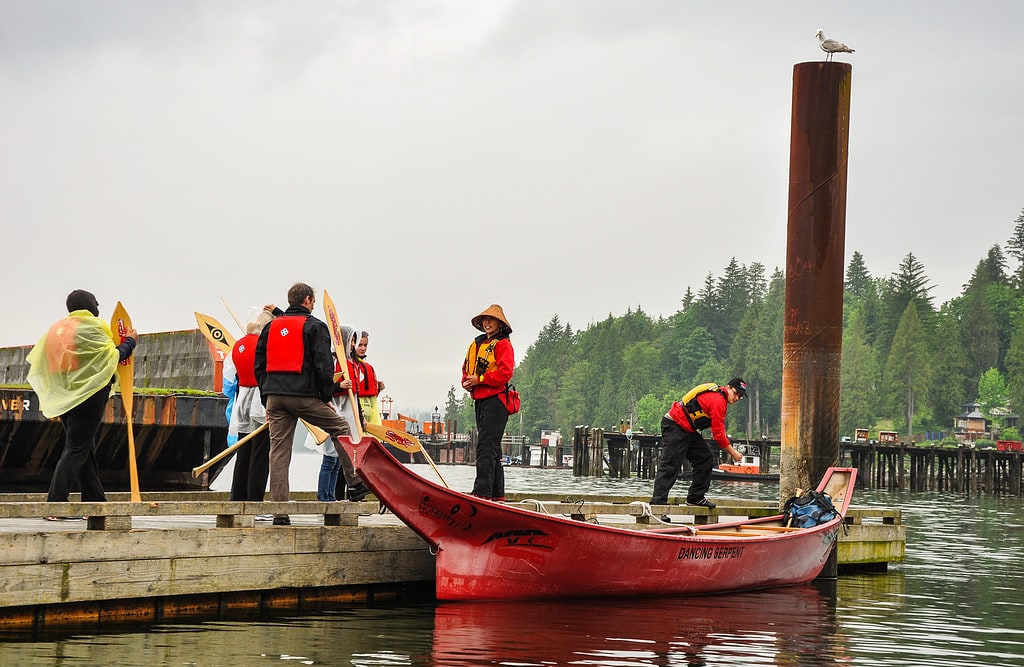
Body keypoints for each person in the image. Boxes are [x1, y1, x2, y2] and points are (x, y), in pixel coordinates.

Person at [254, 283, 370, 525]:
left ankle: (279, 512)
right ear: (306, 300)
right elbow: (323, 366)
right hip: (303, 395)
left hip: (275, 396)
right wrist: (326, 396)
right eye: (314, 300)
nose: (315, 304)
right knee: (340, 428)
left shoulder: (271, 326)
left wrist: (267, 396)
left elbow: (260, 361)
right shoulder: (315, 326)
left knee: (279, 452)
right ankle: (355, 483)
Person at [26, 289, 138, 519]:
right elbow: (111, 357)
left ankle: (95, 503)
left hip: (65, 397)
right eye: (96, 303)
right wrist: (130, 342)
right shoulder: (93, 327)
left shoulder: (56, 330)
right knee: (77, 449)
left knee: (86, 449)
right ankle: (54, 505)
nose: (98, 306)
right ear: (89, 305)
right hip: (89, 396)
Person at [650, 378, 747, 516]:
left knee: (705, 458)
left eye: (740, 396)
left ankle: (695, 497)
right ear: (728, 387)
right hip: (675, 425)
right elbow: (718, 435)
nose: (736, 398)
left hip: (687, 429)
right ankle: (657, 507)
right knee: (670, 465)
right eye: (736, 393)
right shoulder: (719, 401)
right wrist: (733, 453)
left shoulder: (720, 398)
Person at [224, 305, 279, 512]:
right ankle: (255, 501)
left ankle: (236, 498)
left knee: (243, 452)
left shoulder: (239, 344)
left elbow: (229, 379)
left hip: (242, 400)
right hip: (260, 400)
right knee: (260, 454)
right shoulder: (264, 345)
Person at [461, 304, 515, 501]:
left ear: (500, 324)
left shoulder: (503, 344)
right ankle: (497, 494)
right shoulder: (476, 345)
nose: (487, 322)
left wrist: (480, 380)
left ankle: (481, 494)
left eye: (491, 319)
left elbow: (505, 372)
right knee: (493, 447)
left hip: (496, 401)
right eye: (485, 319)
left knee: (485, 446)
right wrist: (466, 382)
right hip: (481, 400)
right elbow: (466, 368)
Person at [317, 325, 360, 502]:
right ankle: (323, 495)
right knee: (329, 458)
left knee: (336, 461)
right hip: (335, 411)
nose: (353, 346)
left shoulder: (352, 364)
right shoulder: (334, 360)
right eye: (351, 341)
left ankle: (331, 496)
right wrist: (338, 386)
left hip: (346, 414)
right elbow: (324, 386)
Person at [353, 330, 385, 426]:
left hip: (370, 414)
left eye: (365, 345)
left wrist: (378, 388)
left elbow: (371, 396)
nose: (363, 348)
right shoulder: (350, 365)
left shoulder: (368, 367)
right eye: (360, 345)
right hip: (357, 413)